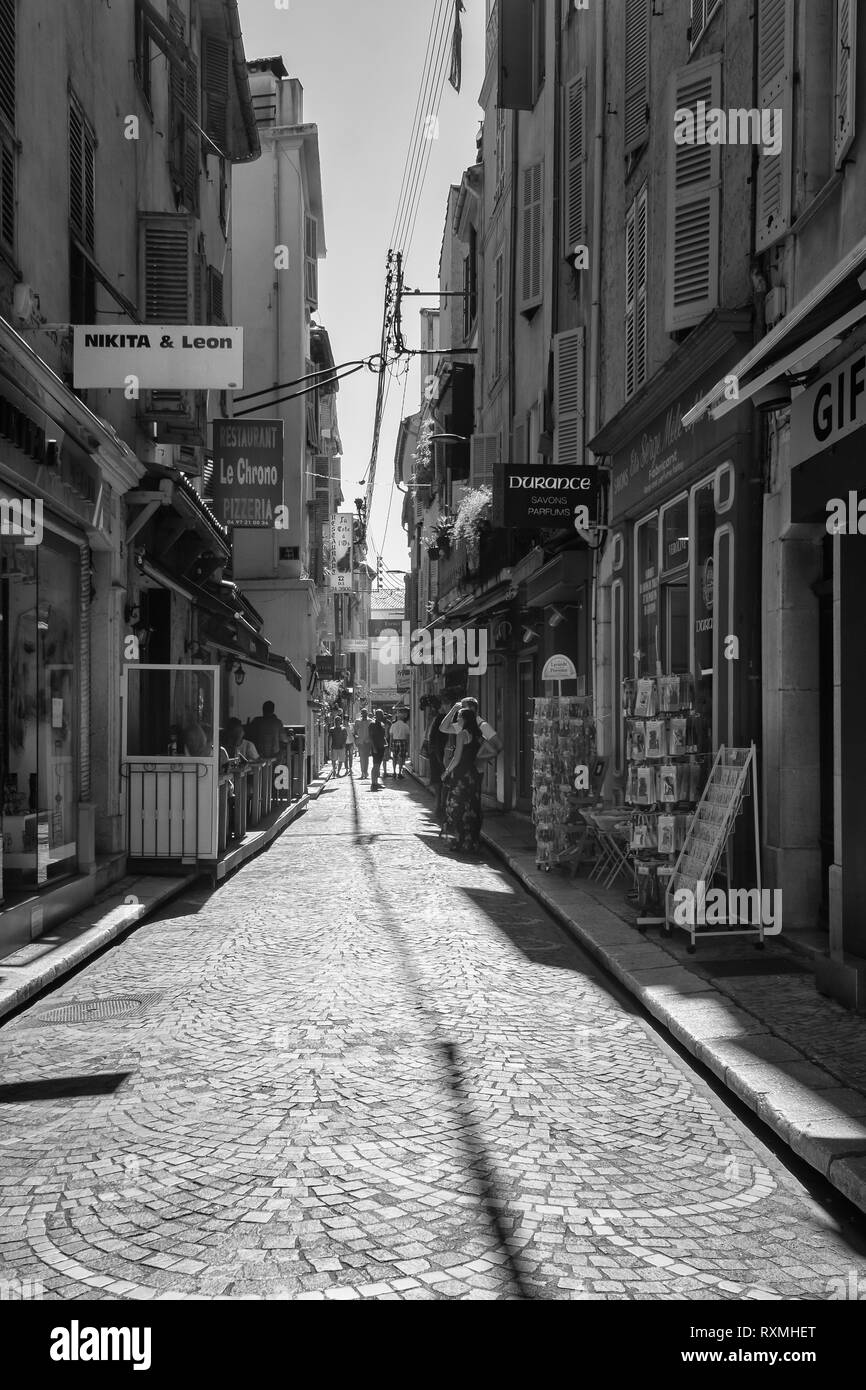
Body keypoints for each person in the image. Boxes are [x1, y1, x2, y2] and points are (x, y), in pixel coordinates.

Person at [441, 707, 484, 853]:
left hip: (460, 775)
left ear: (465, 719)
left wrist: (446, 771)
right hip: (473, 774)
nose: (457, 720)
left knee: (456, 808)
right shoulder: (478, 734)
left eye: (459, 717)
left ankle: (459, 841)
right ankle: (471, 842)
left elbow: (456, 758)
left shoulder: (461, 735)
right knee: (472, 807)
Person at [425, 695, 449, 819]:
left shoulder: (436, 719)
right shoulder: (441, 719)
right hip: (440, 755)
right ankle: (440, 807)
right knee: (442, 782)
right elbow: (436, 740)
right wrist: (441, 759)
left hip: (437, 755)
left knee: (439, 783)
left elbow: (431, 738)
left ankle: (438, 806)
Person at [368, 709, 387, 791]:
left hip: (382, 747)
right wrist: (374, 748)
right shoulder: (372, 724)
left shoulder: (382, 724)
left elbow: (383, 736)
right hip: (376, 748)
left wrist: (386, 745)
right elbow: (370, 737)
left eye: (382, 715)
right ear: (377, 715)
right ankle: (373, 783)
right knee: (375, 765)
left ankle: (376, 782)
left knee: (378, 765)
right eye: (381, 715)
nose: (382, 716)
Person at [389, 711, 410, 779]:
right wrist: (407, 746)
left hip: (395, 741)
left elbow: (391, 736)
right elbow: (407, 737)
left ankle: (394, 772)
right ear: (403, 718)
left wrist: (390, 745)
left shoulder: (393, 725)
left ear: (397, 718)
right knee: (401, 757)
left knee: (394, 757)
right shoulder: (405, 725)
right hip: (403, 741)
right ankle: (399, 773)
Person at [354, 709, 373, 780]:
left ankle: (366, 771)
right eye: (363, 713)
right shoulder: (357, 721)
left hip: (368, 742)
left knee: (366, 758)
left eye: (365, 713)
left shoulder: (370, 721)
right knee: (362, 758)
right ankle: (363, 772)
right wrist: (356, 740)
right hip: (360, 742)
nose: (364, 714)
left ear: (367, 713)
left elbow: (371, 732)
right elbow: (355, 732)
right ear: (361, 714)